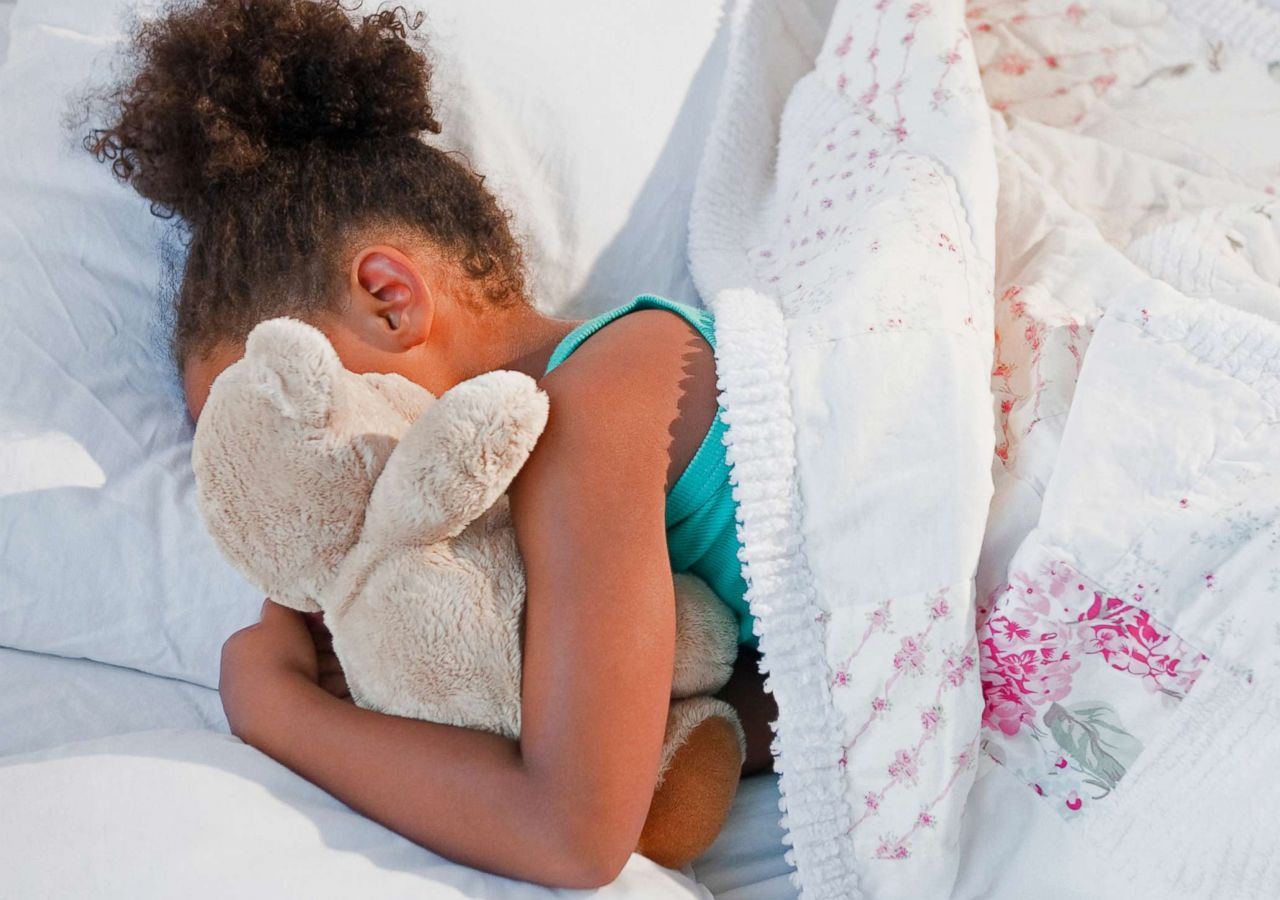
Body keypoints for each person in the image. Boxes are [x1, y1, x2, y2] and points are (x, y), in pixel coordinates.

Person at [88, 0, 775, 886]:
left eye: (271, 421)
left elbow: (572, 832)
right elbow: (797, 701)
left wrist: (278, 713)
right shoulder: (544, 495)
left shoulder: (593, 405)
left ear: (389, 298)